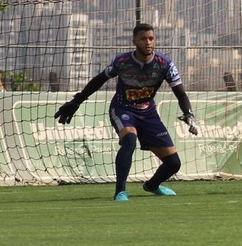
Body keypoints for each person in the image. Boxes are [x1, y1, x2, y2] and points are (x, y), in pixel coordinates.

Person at [53, 23, 198, 201]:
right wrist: (77, 101)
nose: (148, 42)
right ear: (134, 41)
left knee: (173, 164)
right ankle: (120, 191)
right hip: (122, 108)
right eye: (143, 38)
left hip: (148, 112)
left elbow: (181, 93)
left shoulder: (164, 63)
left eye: (151, 38)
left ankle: (151, 186)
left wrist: (189, 113)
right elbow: (99, 80)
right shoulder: (122, 62)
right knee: (129, 140)